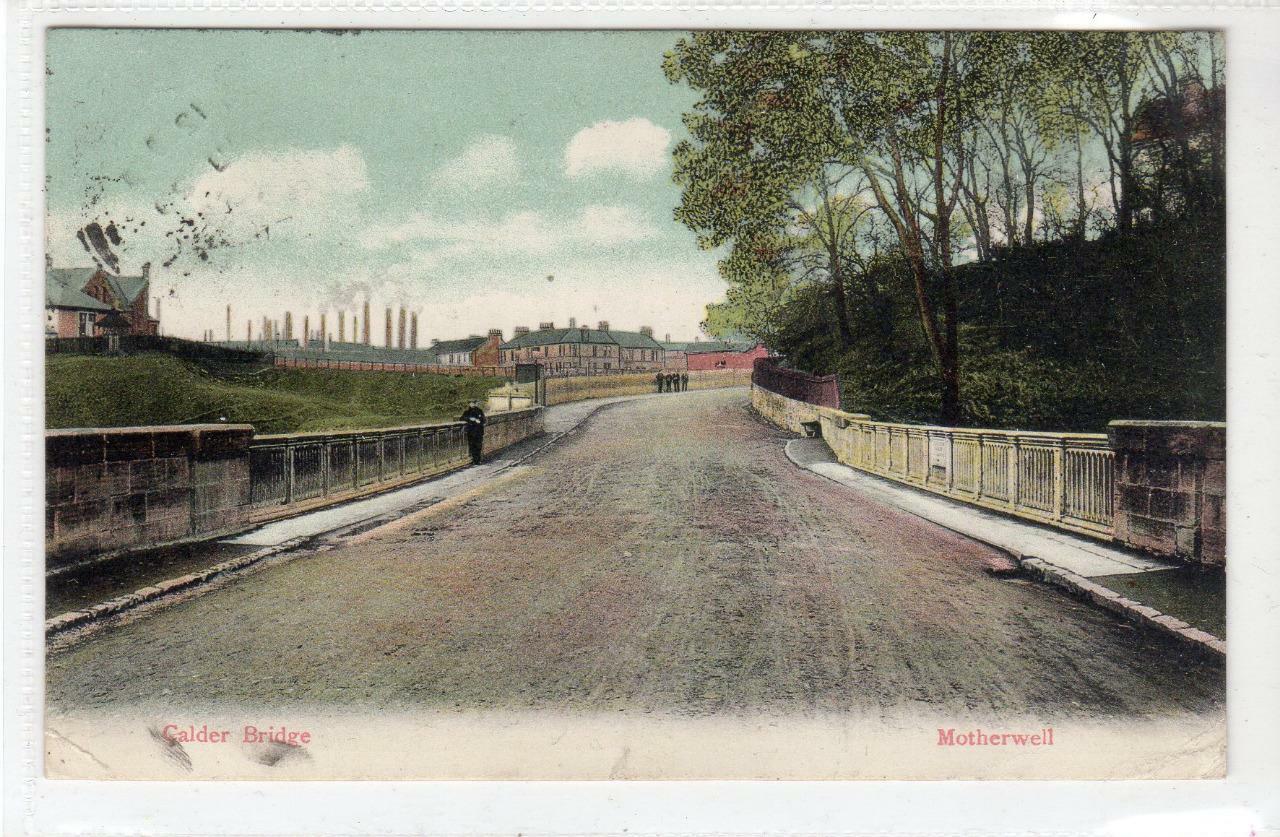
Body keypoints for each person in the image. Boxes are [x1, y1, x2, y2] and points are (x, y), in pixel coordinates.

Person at [460, 400, 486, 464]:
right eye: (470, 403)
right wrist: (470, 419)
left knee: (478, 446)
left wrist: (478, 421)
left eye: (473, 403)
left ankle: (478, 460)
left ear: (475, 404)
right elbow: (461, 418)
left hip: (478, 431)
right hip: (471, 432)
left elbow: (484, 420)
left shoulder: (479, 411)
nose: (472, 404)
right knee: (472, 446)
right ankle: (474, 460)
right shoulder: (467, 412)